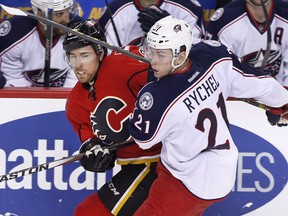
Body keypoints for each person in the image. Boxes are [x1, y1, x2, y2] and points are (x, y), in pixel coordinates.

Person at [128, 16, 288, 215]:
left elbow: (144, 138)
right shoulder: (215, 56)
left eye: (160, 54)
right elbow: (263, 85)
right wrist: (280, 106)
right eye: (150, 52)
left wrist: (152, 86)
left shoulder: (158, 95)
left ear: (180, 56)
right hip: (222, 173)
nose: (152, 60)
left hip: (184, 180)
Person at [63, 20, 161, 216]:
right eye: (72, 57)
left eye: (84, 55)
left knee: (89, 213)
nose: (78, 65)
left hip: (159, 161)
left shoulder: (124, 63)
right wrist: (94, 154)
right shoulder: (75, 103)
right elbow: (90, 140)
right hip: (133, 166)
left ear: (100, 53)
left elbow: (171, 75)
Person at [205, 0, 288, 88]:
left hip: (280, 93)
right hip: (238, 97)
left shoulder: (285, 13)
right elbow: (217, 72)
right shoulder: (223, 21)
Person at [0, 0, 83, 87]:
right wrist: (37, 99)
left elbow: (76, 79)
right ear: (40, 13)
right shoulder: (15, 33)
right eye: (59, 14)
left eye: (68, 11)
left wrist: (63, 98)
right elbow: (13, 78)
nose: (67, 19)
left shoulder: (79, 30)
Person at [98, 0, 204, 50]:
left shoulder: (189, 8)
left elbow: (198, 56)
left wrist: (171, 31)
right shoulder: (113, 11)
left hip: (175, 82)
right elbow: (107, 60)